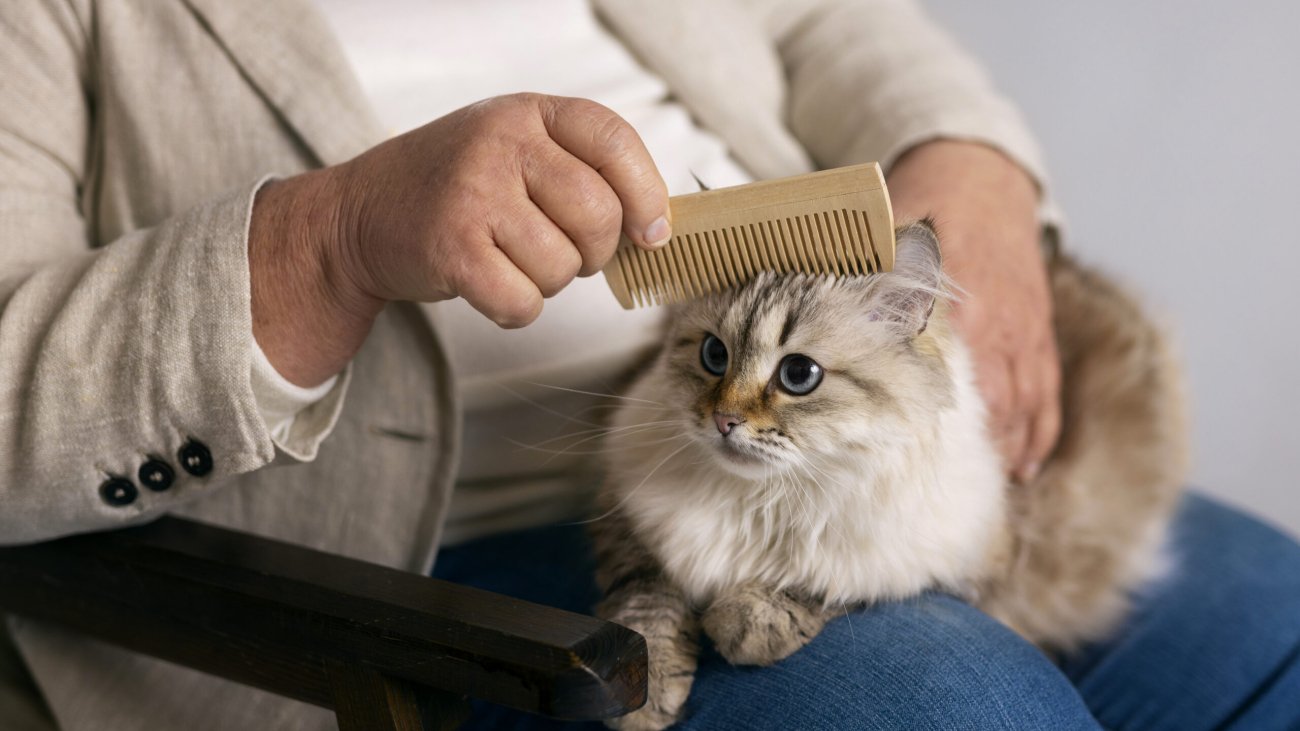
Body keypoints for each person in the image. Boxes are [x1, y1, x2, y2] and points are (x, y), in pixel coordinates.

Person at [0, 1, 1295, 730]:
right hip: (423, 576)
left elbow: (829, 21)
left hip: (837, 436)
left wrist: (970, 161)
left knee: (1273, 622)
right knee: (957, 713)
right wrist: (326, 244)